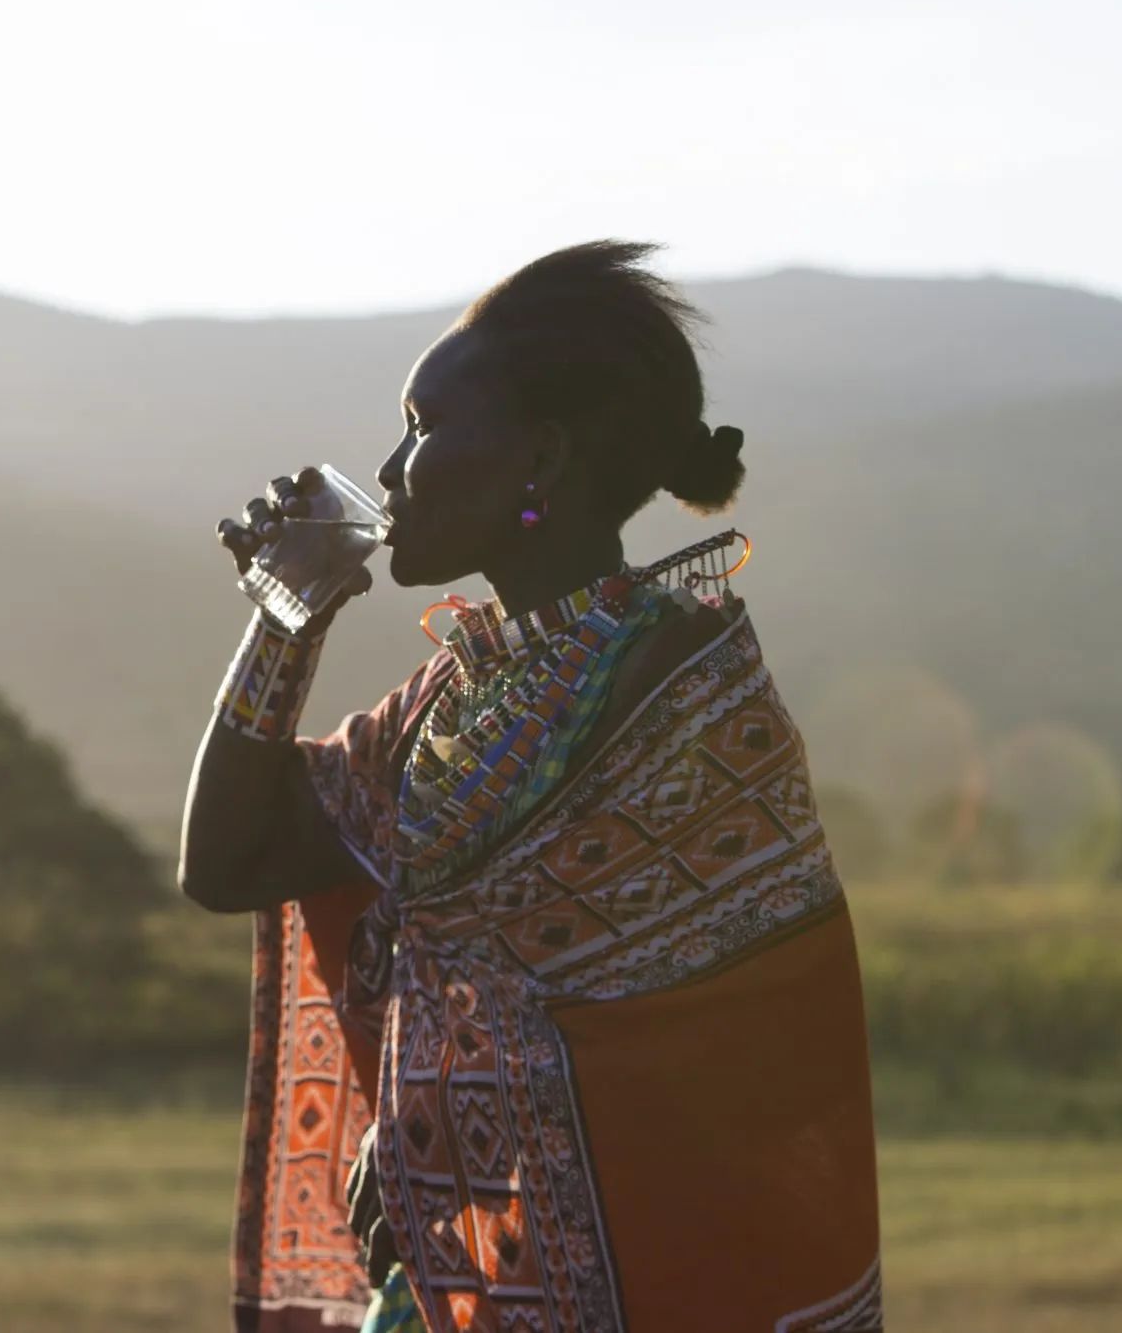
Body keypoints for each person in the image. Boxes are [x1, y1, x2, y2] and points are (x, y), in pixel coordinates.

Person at [183, 242, 881, 1333]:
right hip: (466, 1290)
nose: (394, 464)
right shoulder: (441, 707)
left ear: (538, 461)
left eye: (423, 426)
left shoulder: (682, 690)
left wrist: (432, 1130)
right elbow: (226, 863)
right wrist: (286, 617)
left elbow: (718, 1047)